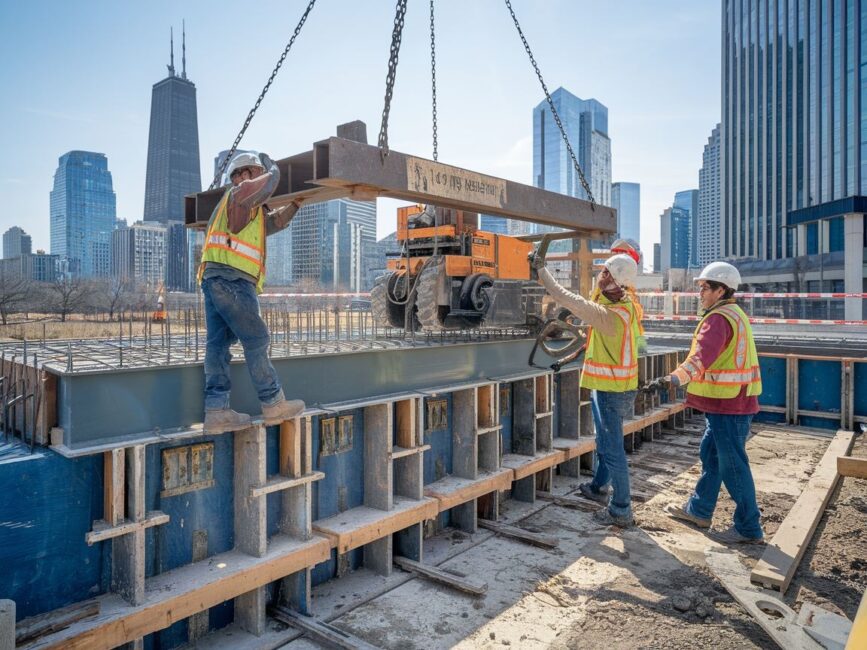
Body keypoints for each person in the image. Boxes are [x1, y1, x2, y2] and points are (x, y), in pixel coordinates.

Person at [653, 261, 764, 544]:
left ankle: (749, 527)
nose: (700, 293)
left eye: (705, 288)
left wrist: (674, 379)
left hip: (729, 403)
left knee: (733, 466)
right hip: (728, 401)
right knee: (712, 455)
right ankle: (699, 510)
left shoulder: (718, 319)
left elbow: (701, 357)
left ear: (721, 289)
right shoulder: (734, 313)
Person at [197, 151, 305, 433]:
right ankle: (273, 403)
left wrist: (295, 204)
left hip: (214, 278)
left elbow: (272, 224)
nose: (259, 178)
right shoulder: (242, 191)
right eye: (255, 172)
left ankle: (216, 410)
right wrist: (274, 169)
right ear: (243, 174)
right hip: (233, 280)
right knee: (257, 338)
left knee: (218, 344)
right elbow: (267, 185)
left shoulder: (242, 207)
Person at [532, 252, 642, 527]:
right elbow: (599, 339)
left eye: (606, 274)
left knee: (612, 448)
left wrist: (542, 272)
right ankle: (598, 487)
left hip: (609, 389)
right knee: (606, 444)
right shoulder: (627, 307)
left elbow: (570, 300)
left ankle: (621, 509)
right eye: (602, 272)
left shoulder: (609, 314)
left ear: (617, 282)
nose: (600, 277)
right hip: (617, 386)